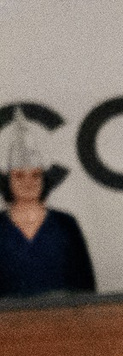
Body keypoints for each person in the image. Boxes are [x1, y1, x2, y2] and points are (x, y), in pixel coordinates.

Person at [0, 120, 94, 296]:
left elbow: (86, 286)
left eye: (36, 175)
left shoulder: (65, 224)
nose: (28, 182)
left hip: (62, 321)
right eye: (19, 176)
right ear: (7, 181)